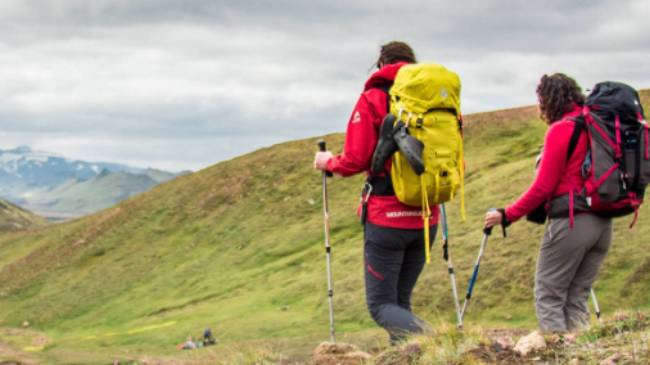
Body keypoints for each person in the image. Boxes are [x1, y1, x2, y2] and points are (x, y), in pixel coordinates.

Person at [313, 41, 438, 343]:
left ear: (383, 64)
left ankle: (438, 341)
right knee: (400, 303)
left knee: (381, 305)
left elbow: (356, 158)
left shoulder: (374, 98)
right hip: (426, 216)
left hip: (386, 215)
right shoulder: (434, 101)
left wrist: (328, 162)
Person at [484, 73, 612, 333]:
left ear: (549, 100)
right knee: (577, 296)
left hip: (572, 221)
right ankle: (581, 355)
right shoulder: (596, 125)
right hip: (603, 222)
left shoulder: (562, 129)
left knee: (549, 294)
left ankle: (560, 356)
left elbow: (543, 187)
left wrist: (507, 214)